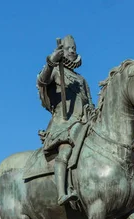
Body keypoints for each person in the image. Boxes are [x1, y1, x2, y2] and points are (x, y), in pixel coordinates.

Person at [37, 35, 94, 206]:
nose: (72, 51)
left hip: (83, 124)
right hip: (63, 125)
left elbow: (90, 104)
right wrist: (50, 63)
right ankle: (62, 193)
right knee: (65, 150)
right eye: (69, 48)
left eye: (74, 48)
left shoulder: (82, 80)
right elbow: (41, 81)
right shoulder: (55, 72)